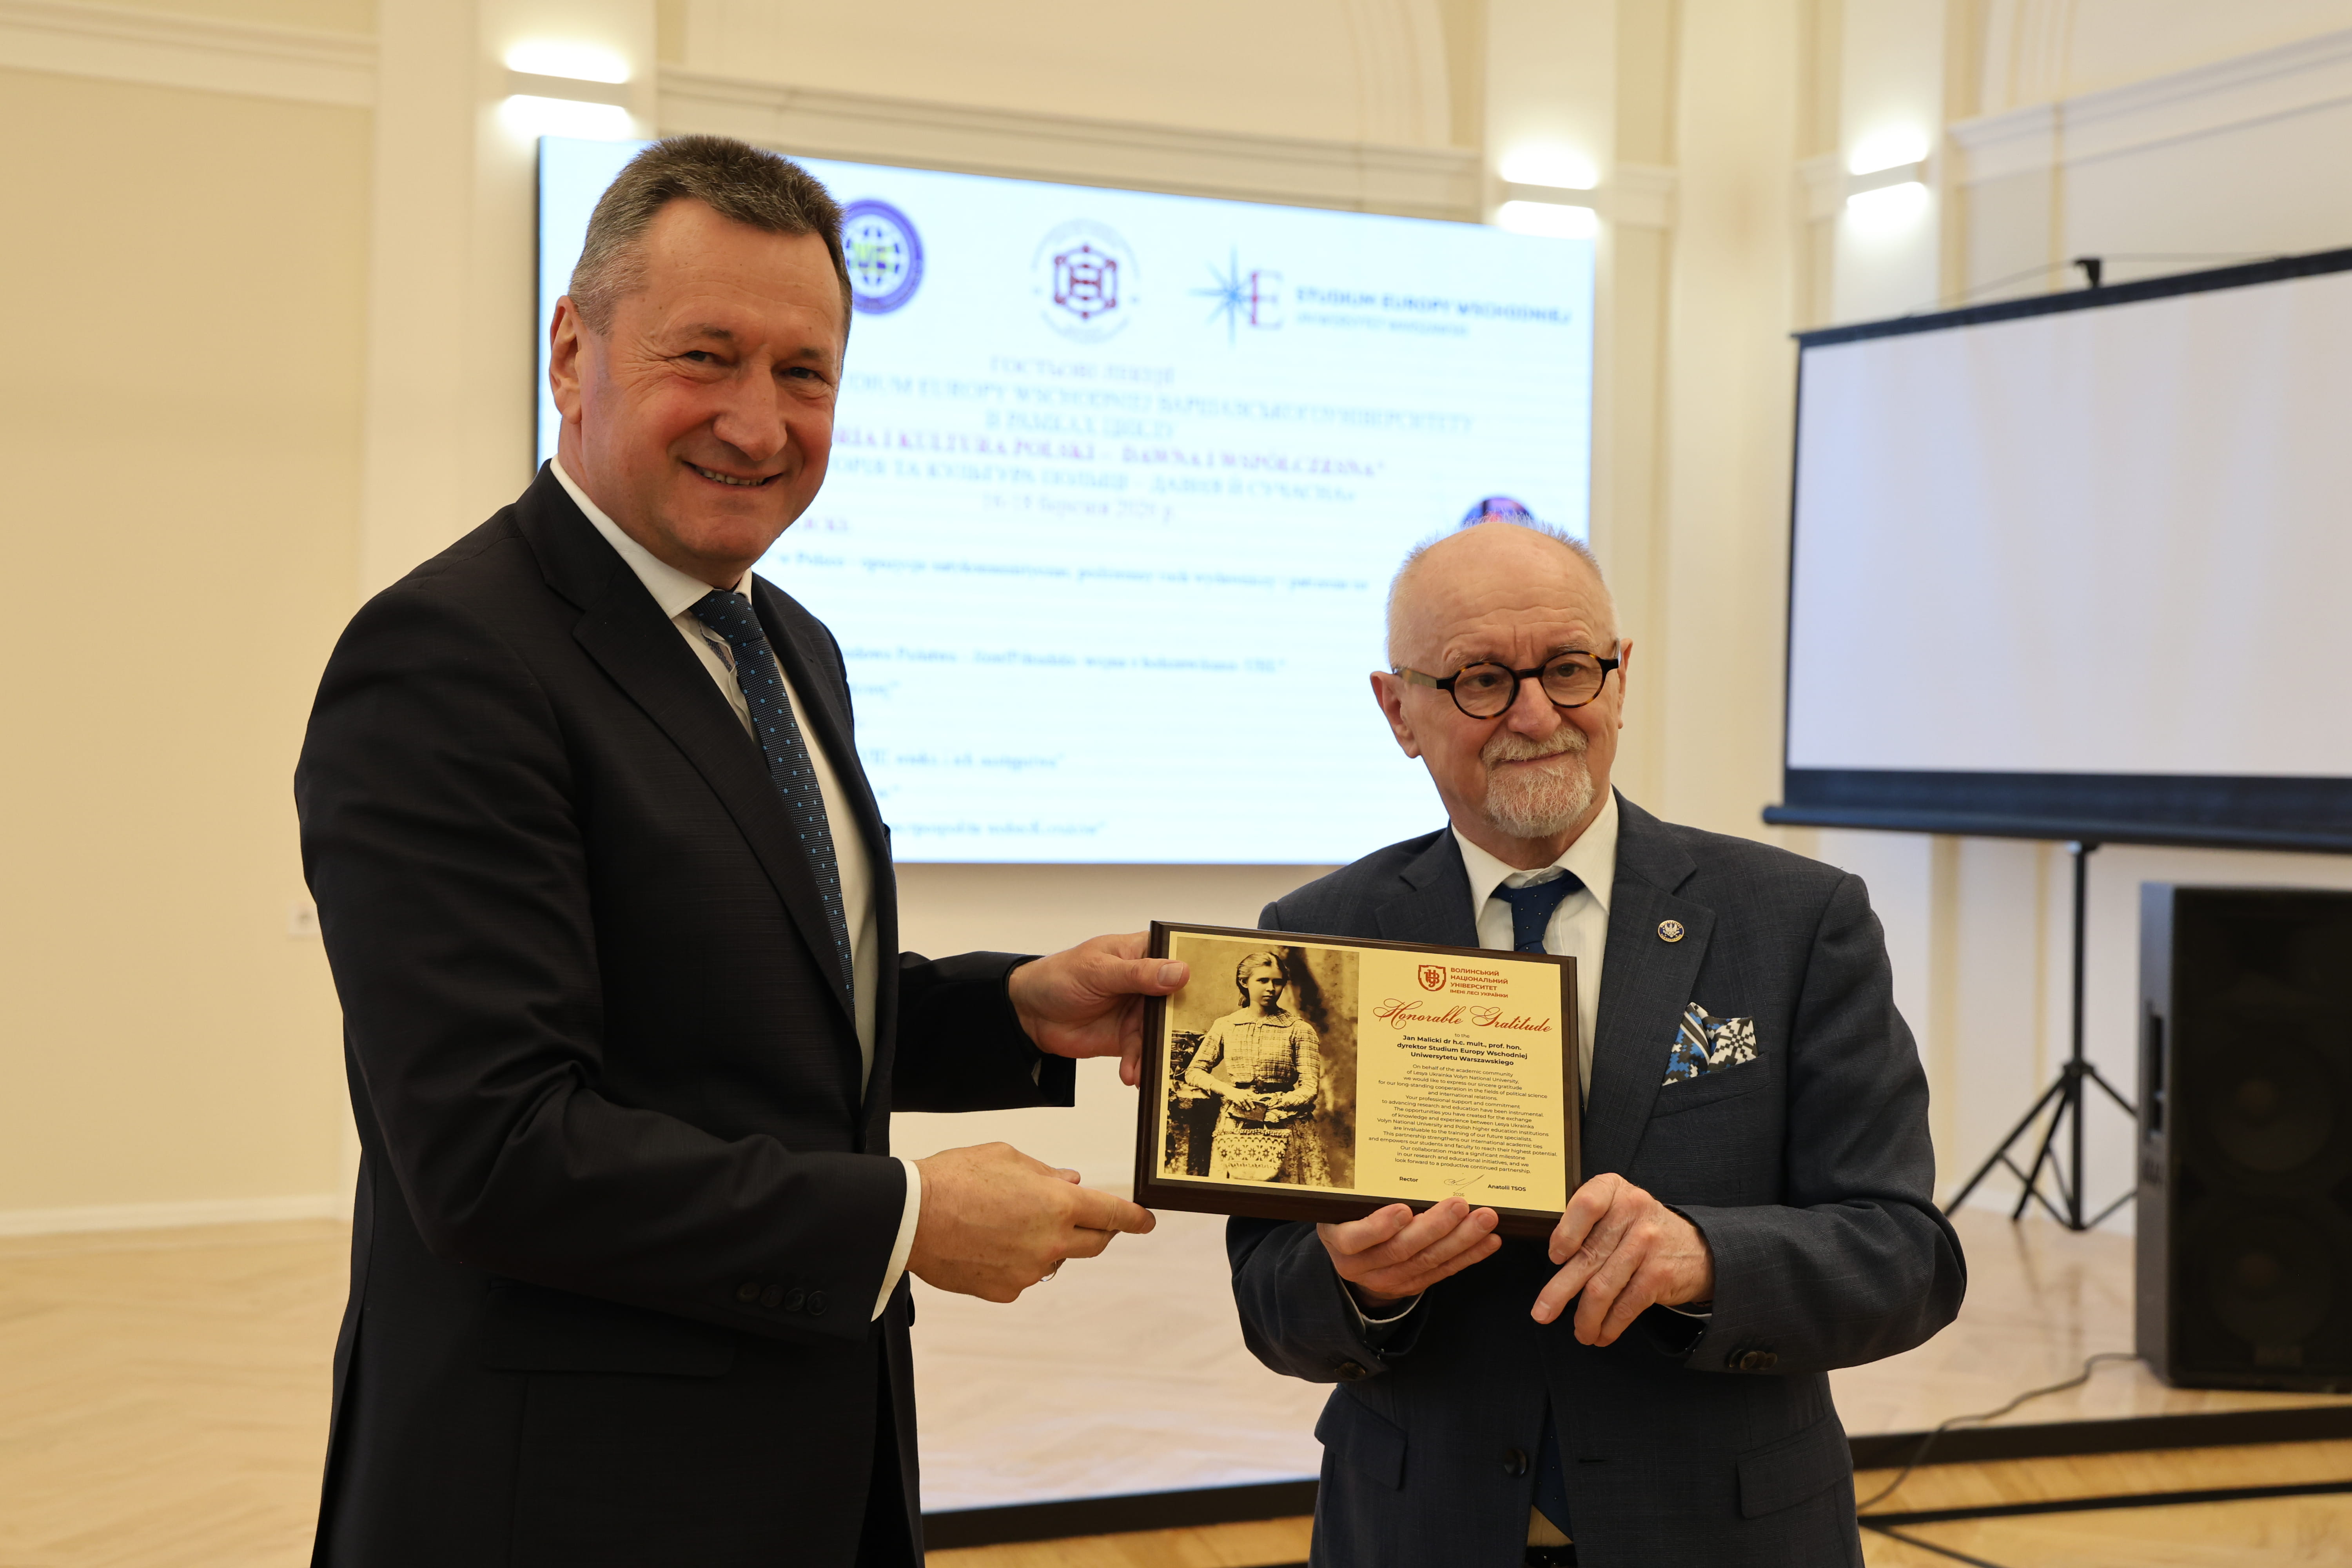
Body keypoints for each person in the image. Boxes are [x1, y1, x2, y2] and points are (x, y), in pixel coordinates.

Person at [294, 136, 1187, 1568]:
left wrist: (1015, 1006)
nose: (759, 423)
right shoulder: (448, 657)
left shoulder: (785, 644)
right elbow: (494, 1147)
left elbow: (749, 1009)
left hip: (812, 1461)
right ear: (572, 351)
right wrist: (905, 1217)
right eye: (704, 356)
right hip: (567, 1498)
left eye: (804, 372)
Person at [1225, 518, 1966, 1566]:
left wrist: (1706, 1259)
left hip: (1726, 1534)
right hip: (1418, 1529)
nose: (1536, 714)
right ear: (1399, 711)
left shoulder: (1798, 920)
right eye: (1482, 679)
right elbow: (1270, 1301)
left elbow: (1905, 1258)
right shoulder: (1319, 939)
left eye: (1570, 668)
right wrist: (1360, 1284)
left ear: (1620, 677)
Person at [1185, 950, 1327, 1184]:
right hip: (1236, 1123)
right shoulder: (1226, 1026)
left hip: (1284, 1125)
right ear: (1245, 982)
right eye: (1263, 981)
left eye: (1277, 982)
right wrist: (1230, 1092)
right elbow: (1194, 1072)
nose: (1271, 988)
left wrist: (1277, 1103)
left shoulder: (1300, 1030)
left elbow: (1310, 1088)